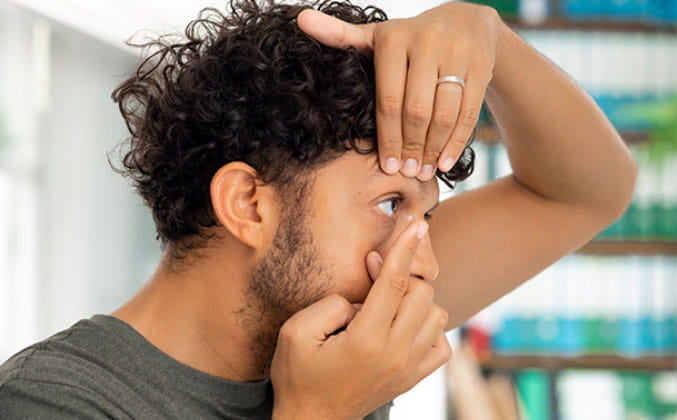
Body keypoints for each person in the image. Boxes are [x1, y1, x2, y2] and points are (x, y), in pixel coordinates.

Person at [0, 0, 637, 418]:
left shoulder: (346, 324)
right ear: (248, 205)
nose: (426, 264)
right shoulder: (52, 402)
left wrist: (490, 40)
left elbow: (586, 190)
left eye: (428, 217)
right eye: (391, 203)